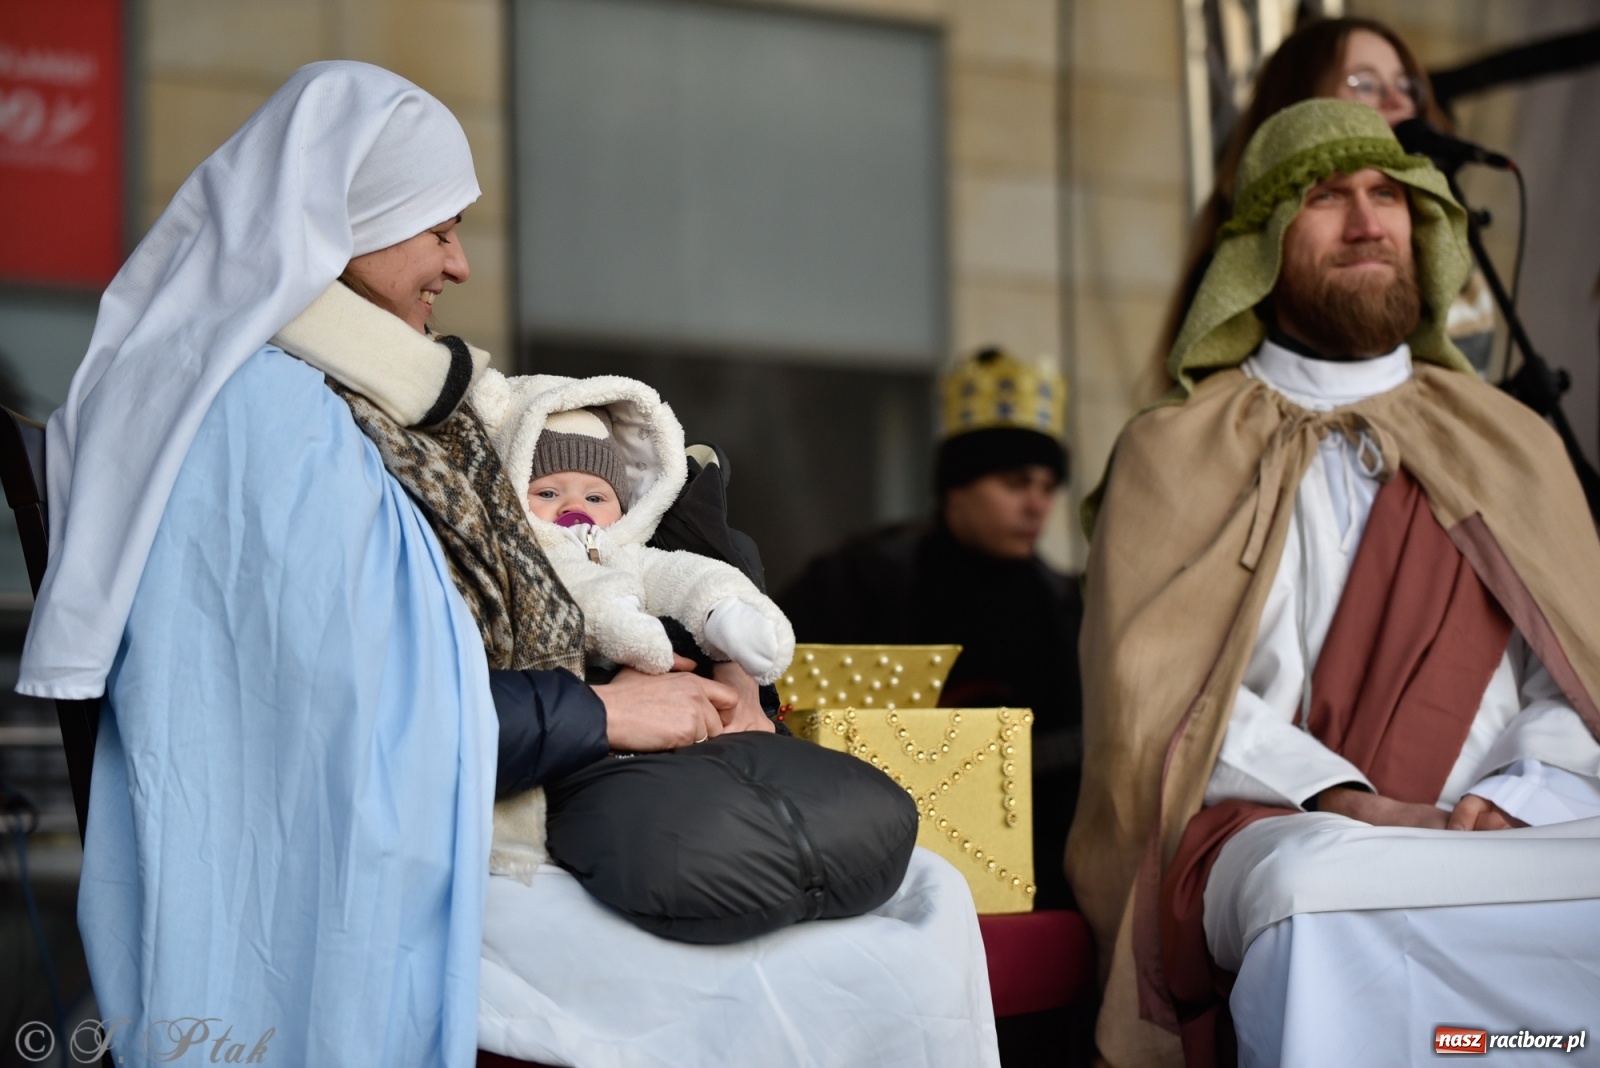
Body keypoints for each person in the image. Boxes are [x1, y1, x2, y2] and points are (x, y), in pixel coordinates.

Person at [17, 61, 1000, 1067]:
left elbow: (551, 582)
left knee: (922, 897)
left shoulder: (365, 395)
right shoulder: (268, 418)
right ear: (346, 223)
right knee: (891, 955)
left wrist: (717, 668)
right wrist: (607, 715)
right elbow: (344, 720)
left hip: (481, 816)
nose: (458, 266)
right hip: (386, 884)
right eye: (439, 230)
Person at [1071, 98, 1600, 1068]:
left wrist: (1520, 793)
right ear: (1262, 244)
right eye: (1326, 198)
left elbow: (1576, 677)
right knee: (1311, 888)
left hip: (1504, 816)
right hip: (1274, 815)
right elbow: (1159, 704)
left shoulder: (1510, 441)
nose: (1366, 222)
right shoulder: (1171, 451)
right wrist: (1345, 798)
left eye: (1387, 196)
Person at [781, 346, 1083, 910]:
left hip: (1037, 877)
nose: (1037, 505)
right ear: (956, 485)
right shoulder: (858, 579)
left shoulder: (1071, 606)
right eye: (1016, 482)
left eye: (1048, 487)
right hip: (870, 859)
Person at [1148, 15, 1495, 402]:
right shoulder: (1242, 259)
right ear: (1301, 104)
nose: (1398, 101)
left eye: (1406, 85)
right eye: (1366, 84)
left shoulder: (1436, 238)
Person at [468, 367, 793, 685]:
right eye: (548, 493)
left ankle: (730, 616)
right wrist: (619, 615)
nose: (575, 507)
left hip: (634, 683)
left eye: (595, 497)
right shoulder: (518, 559)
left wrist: (721, 605)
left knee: (688, 578)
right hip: (562, 685)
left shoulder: (627, 552)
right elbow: (563, 586)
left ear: (624, 506)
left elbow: (676, 576)